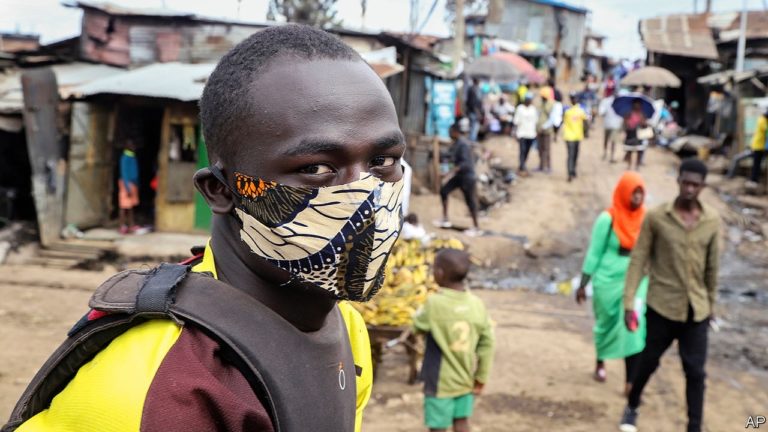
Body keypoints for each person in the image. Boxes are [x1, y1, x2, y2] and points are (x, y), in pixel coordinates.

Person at [5, 25, 404, 432]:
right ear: (220, 191)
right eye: (315, 168)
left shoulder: (344, 326)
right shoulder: (163, 393)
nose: (367, 195)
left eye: (383, 161)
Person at [619, 159, 720, 432]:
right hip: (661, 307)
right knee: (648, 361)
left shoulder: (711, 222)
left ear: (702, 187)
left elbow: (712, 268)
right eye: (685, 182)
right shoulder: (657, 218)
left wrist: (711, 305)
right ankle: (633, 404)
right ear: (678, 181)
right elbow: (639, 260)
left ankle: (694, 427)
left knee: (696, 372)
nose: (689, 189)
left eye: (695, 185)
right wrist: (629, 302)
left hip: (696, 310)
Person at [576, 172, 648, 394]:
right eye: (633, 193)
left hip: (635, 280)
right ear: (624, 192)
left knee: (634, 327)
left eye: (640, 193)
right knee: (605, 323)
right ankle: (601, 360)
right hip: (607, 279)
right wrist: (583, 283)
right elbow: (594, 253)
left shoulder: (646, 219)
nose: (637, 198)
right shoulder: (607, 219)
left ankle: (630, 383)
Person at [412, 249, 495, 432]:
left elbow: (417, 326)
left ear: (439, 273)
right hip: (466, 378)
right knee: (461, 422)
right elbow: (488, 343)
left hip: (439, 382)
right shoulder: (477, 304)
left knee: (438, 427)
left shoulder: (435, 303)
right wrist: (481, 377)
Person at [438, 121, 480, 236]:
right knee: (444, 191)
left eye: (451, 132)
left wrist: (449, 173)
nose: (450, 134)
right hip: (459, 176)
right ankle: (445, 218)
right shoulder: (456, 144)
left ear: (456, 132)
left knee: (470, 201)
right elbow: (449, 156)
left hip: (467, 177)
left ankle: (476, 227)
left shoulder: (463, 144)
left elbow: (464, 163)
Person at [562, 95, 589, 182]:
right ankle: (570, 172)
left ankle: (573, 170)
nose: (573, 99)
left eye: (574, 98)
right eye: (572, 98)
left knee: (575, 155)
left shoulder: (581, 111)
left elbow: (585, 122)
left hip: (577, 136)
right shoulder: (567, 111)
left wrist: (585, 132)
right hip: (569, 136)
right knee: (571, 155)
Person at [513, 93, 538, 176]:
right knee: (522, 150)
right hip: (522, 133)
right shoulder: (520, 108)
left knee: (527, 150)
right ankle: (522, 165)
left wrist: (536, 132)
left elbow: (535, 121)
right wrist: (515, 132)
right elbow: (516, 121)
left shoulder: (533, 109)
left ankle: (522, 165)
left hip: (531, 134)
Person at [118, 139, 140, 234]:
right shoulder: (125, 158)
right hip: (126, 184)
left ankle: (131, 225)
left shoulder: (132, 157)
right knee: (124, 206)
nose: (134, 147)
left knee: (130, 206)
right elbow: (124, 174)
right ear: (127, 147)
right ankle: (122, 226)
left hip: (132, 184)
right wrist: (127, 187)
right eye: (131, 145)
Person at [623, 100, 649, 171]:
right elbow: (625, 123)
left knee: (639, 151)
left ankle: (637, 165)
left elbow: (645, 124)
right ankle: (629, 165)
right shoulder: (628, 113)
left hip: (639, 135)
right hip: (630, 134)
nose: (637, 105)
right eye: (635, 104)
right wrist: (628, 124)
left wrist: (642, 122)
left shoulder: (642, 114)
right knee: (629, 150)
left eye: (638, 104)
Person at [599, 94, 624, 163]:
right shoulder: (606, 101)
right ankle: (605, 153)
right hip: (607, 124)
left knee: (613, 141)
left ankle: (612, 156)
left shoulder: (620, 102)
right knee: (606, 140)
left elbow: (622, 114)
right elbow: (601, 112)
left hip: (615, 125)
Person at [536, 88, 555, 173]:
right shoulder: (540, 104)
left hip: (547, 131)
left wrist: (544, 127)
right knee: (540, 149)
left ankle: (548, 166)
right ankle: (541, 165)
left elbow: (552, 118)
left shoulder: (551, 104)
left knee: (546, 149)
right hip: (539, 130)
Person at [748, 108, 767, 186]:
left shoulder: (762, 119)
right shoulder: (762, 120)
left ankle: (755, 179)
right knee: (756, 164)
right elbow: (766, 130)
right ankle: (753, 180)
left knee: (757, 164)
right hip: (758, 146)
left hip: (760, 146)